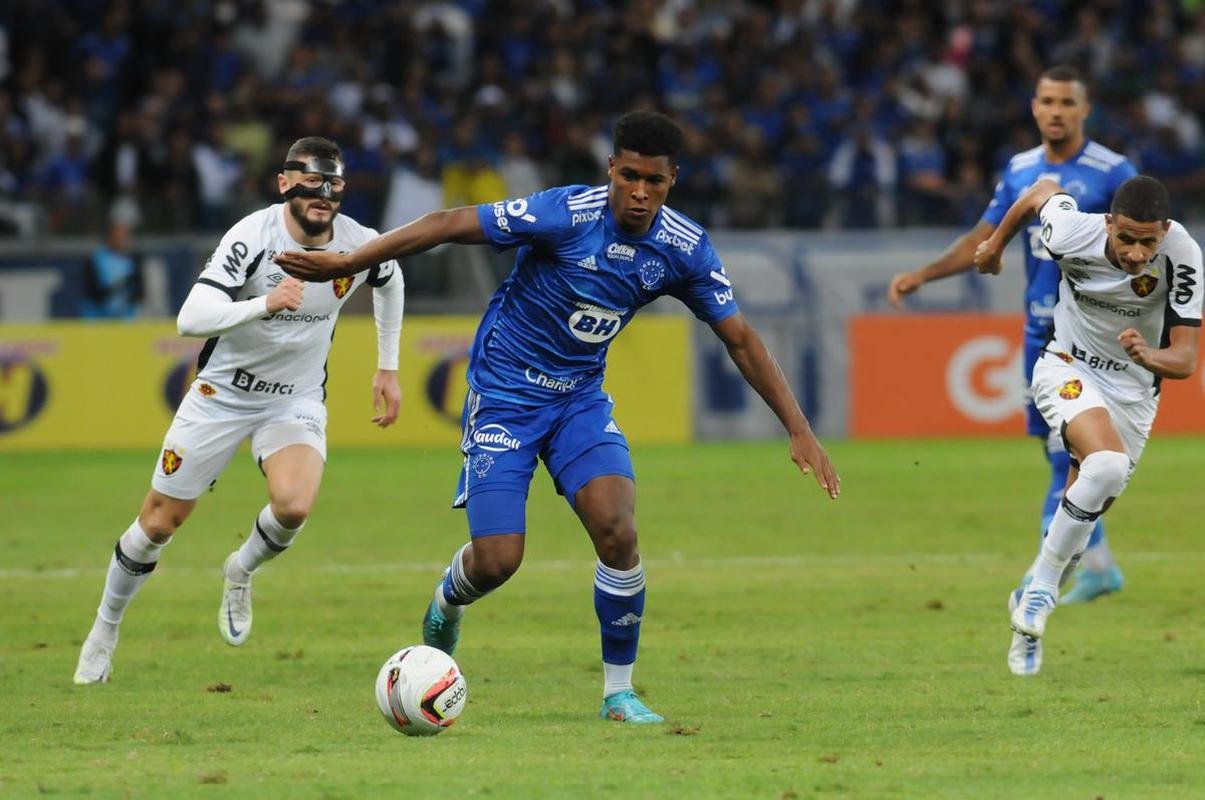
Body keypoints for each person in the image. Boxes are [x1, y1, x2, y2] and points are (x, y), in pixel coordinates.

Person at [275, 111, 840, 723]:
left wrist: (799, 428)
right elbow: (446, 222)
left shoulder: (684, 248)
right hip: (505, 396)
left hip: (578, 400)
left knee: (618, 529)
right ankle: (447, 601)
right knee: (497, 560)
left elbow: (741, 339)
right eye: (629, 176)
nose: (640, 192)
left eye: (654, 180)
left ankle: (618, 693)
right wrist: (345, 264)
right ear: (611, 169)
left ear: (673, 179)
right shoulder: (564, 214)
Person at [73, 137, 405, 684]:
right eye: (311, 181)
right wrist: (263, 303)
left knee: (294, 505)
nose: (323, 194)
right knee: (157, 524)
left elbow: (390, 277)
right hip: (222, 395)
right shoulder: (253, 236)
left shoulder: (357, 244)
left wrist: (387, 365)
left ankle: (240, 569)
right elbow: (191, 316)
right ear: (284, 183)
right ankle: (104, 630)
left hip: (294, 399)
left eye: (334, 184)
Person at [886, 66, 1137, 675]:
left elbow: (1144, 248)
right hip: (1037, 332)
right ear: (1033, 107)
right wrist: (925, 274)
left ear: (1085, 109)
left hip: (1087, 339)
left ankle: (1042, 580)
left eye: (1067, 103)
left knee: (1067, 458)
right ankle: (1098, 567)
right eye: (1046, 101)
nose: (1055, 112)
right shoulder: (1022, 170)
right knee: (1059, 455)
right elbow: (982, 234)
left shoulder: (1115, 174)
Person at [973, 175, 1202, 673]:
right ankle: (1042, 596)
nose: (1138, 253)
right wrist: (994, 245)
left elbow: (1185, 361)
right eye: (1126, 238)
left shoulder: (1184, 255)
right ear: (1108, 224)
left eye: (1148, 241)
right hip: (1067, 366)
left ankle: (1027, 606)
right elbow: (1041, 190)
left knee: (1091, 504)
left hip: (1136, 391)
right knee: (1105, 466)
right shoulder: (1071, 232)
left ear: (1164, 231)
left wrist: (1150, 354)